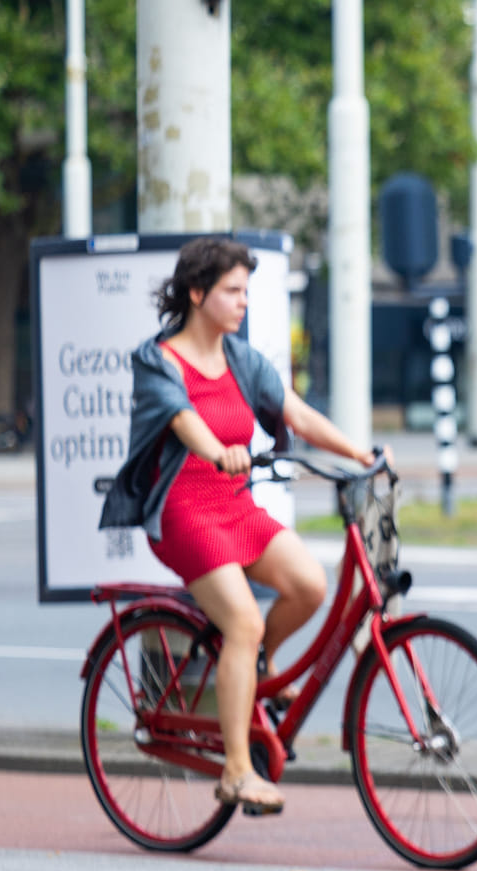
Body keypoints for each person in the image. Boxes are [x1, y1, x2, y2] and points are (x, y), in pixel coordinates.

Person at [101, 237, 381, 815]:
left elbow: (295, 413)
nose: (243, 302)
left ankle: (251, 667)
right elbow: (184, 422)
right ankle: (234, 770)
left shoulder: (242, 359)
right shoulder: (158, 361)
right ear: (198, 294)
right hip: (184, 512)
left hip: (234, 503)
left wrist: (358, 453)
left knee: (309, 586)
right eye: (232, 291)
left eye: (246, 292)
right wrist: (218, 451)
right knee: (244, 621)